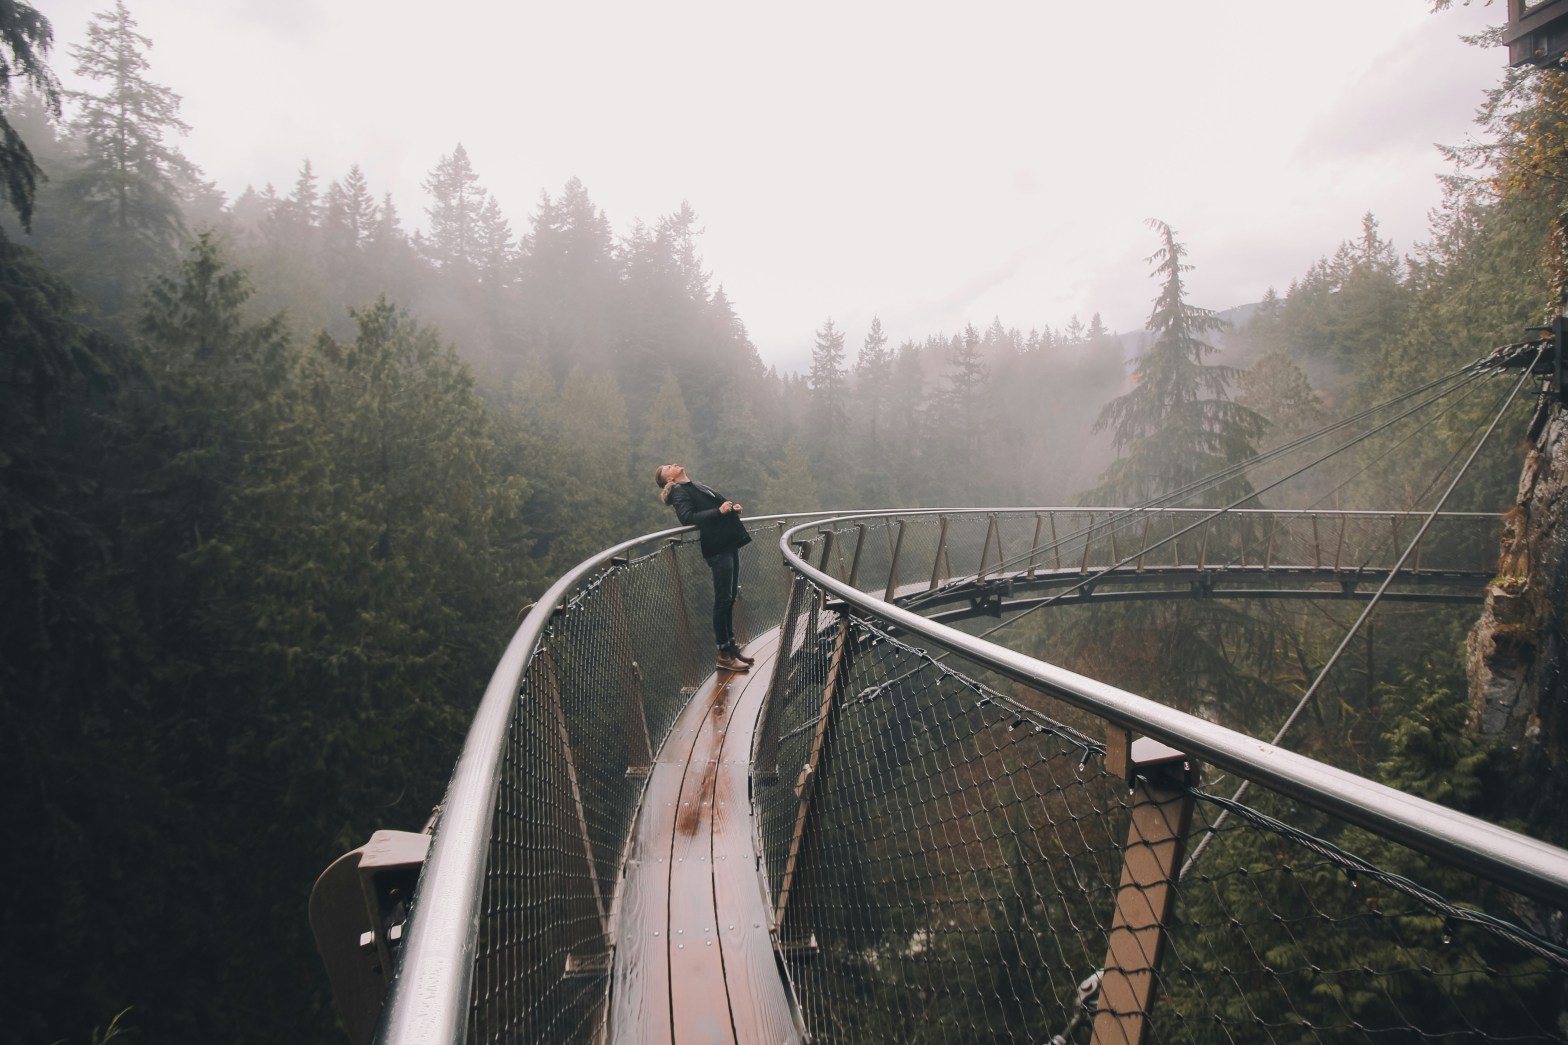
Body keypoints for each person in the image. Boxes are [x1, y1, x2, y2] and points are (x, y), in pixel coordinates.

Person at [655, 463, 756, 672]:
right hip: (718, 547)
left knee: (729, 599)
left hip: (727, 543)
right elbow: (688, 518)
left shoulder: (694, 486)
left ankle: (731, 648)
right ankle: (723, 655)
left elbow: (710, 512)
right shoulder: (679, 492)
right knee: (722, 600)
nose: (673, 464)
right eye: (668, 467)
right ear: (670, 479)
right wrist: (719, 511)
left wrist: (729, 511)